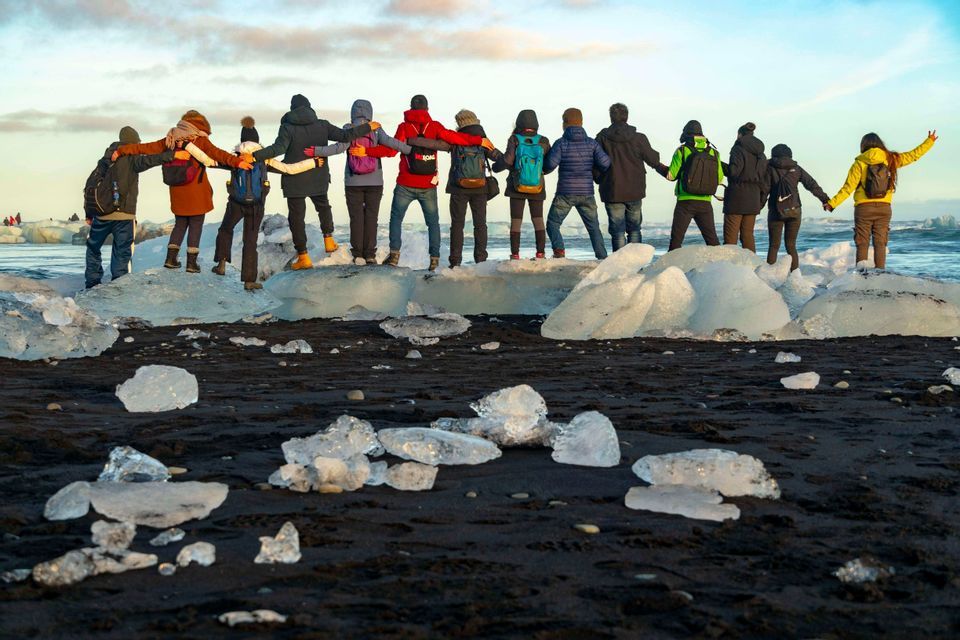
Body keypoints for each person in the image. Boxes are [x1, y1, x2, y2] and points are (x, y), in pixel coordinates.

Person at [113, 110, 252, 273]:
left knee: (180, 224)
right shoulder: (199, 140)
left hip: (177, 190)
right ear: (200, 125)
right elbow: (217, 154)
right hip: (196, 190)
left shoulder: (170, 139)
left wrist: (121, 150)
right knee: (196, 224)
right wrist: (237, 162)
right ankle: (191, 264)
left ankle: (171, 259)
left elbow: (145, 148)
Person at [253, 94, 379, 270]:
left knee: (297, 217)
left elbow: (278, 149)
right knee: (323, 207)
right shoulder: (322, 125)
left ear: (292, 109)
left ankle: (303, 257)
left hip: (294, 177)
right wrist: (366, 128)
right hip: (318, 174)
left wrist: (254, 155)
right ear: (309, 108)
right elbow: (345, 136)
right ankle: (329, 240)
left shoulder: (287, 127)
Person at [200, 117, 325, 290]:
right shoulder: (263, 159)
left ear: (241, 140)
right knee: (250, 241)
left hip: (236, 203)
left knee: (225, 229)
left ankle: (221, 263)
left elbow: (208, 161)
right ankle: (249, 281)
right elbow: (289, 169)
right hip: (257, 205)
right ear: (258, 141)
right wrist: (314, 162)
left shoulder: (234, 158)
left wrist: (191, 147)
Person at [378, 94, 492, 271]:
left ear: (411, 108)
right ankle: (434, 259)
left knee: (396, 219)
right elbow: (455, 138)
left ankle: (394, 255)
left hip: (405, 182)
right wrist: (478, 140)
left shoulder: (404, 127)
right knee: (433, 223)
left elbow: (391, 151)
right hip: (428, 185)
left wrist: (367, 151)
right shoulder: (435, 126)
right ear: (427, 109)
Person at [306, 99, 412, 264]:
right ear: (370, 112)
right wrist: (411, 150)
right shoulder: (376, 129)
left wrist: (316, 151)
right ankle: (370, 254)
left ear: (352, 112)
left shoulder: (349, 129)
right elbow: (392, 143)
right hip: (375, 182)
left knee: (356, 218)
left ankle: (358, 255)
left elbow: (337, 148)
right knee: (371, 217)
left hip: (353, 182)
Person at [84, 126, 180, 288]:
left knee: (93, 248)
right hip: (124, 216)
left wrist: (89, 213)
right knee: (122, 252)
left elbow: (91, 184)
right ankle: (119, 287)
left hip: (101, 214)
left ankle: (92, 284)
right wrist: (173, 155)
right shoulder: (131, 157)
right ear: (134, 143)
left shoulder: (105, 159)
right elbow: (151, 160)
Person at [826, 131, 937, 269]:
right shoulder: (891, 159)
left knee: (862, 243)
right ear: (880, 144)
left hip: (863, 209)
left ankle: (862, 275)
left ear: (863, 146)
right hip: (884, 208)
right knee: (880, 243)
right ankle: (880, 274)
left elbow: (848, 188)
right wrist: (929, 141)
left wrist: (832, 204)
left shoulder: (859, 163)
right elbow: (914, 155)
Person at [406, 109, 503, 268]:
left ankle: (455, 261)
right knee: (480, 225)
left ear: (460, 123)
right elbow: (501, 158)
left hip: (458, 188)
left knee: (457, 225)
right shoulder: (483, 140)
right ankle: (481, 260)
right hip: (480, 188)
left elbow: (433, 144)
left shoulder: (456, 140)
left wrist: (411, 140)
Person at [544, 108, 611, 259]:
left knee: (553, 223)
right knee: (594, 228)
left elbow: (550, 165)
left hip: (565, 193)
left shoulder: (561, 143)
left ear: (564, 123)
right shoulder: (591, 144)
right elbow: (606, 163)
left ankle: (559, 251)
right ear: (581, 122)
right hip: (587, 192)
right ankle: (602, 257)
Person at [594, 103, 660, 251]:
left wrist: (598, 178)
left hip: (612, 189)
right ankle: (636, 266)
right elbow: (653, 160)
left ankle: (620, 267)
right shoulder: (638, 138)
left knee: (617, 232)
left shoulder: (602, 138)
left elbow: (595, 162)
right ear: (627, 116)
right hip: (635, 189)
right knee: (635, 229)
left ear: (611, 117)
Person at [492, 109, 552, 260]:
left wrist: (495, 167)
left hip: (516, 185)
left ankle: (515, 254)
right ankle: (540, 253)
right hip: (538, 186)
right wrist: (540, 172)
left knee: (516, 220)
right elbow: (549, 163)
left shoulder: (515, 139)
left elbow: (507, 160)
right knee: (538, 219)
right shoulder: (543, 140)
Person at [764, 144, 829, 271]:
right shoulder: (796, 168)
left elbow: (764, 190)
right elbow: (811, 184)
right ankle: (794, 277)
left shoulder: (769, 168)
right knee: (791, 245)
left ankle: (768, 277)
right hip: (795, 210)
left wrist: (758, 206)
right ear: (790, 155)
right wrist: (825, 199)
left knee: (773, 246)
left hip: (775, 211)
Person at [663, 120, 724, 250]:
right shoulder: (714, 152)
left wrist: (658, 166)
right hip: (705, 202)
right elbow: (719, 179)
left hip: (685, 202)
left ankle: (671, 270)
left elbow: (671, 176)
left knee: (676, 241)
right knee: (712, 241)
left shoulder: (682, 150)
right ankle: (721, 267)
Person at [723, 122, 767, 252]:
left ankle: (729, 268)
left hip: (737, 197)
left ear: (739, 134)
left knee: (731, 238)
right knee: (747, 236)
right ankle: (752, 268)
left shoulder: (738, 149)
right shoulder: (761, 154)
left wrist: (721, 165)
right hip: (753, 197)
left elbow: (734, 172)